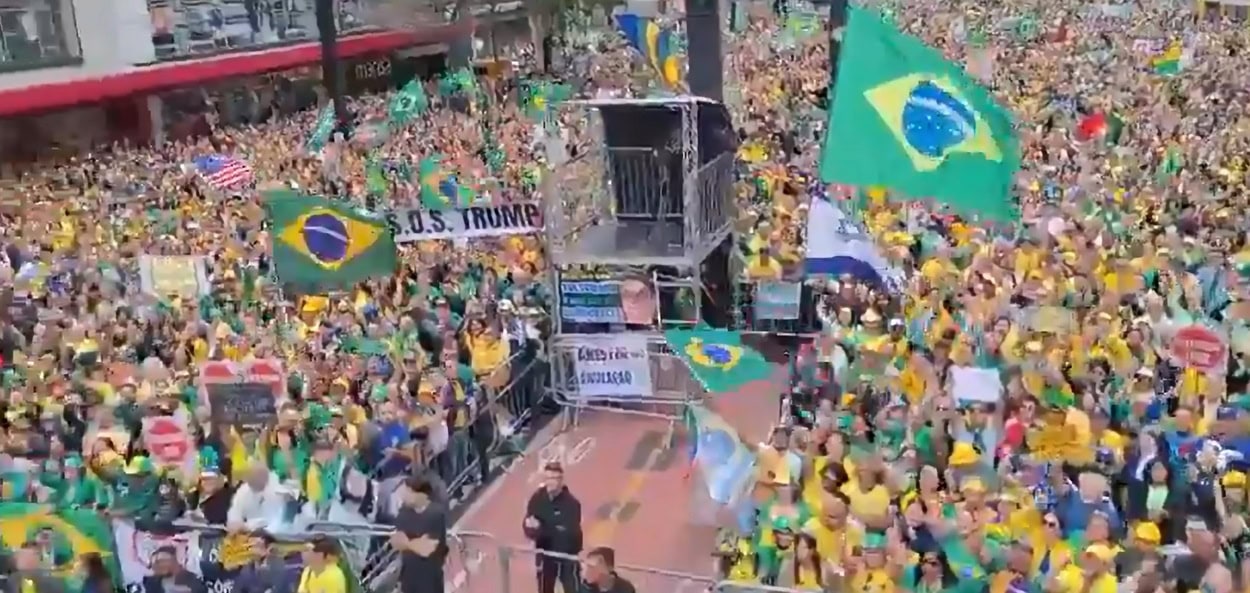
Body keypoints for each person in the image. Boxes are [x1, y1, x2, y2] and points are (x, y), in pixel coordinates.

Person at [523, 462, 582, 593]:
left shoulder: (572, 504)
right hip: (545, 554)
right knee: (544, 589)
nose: (551, 482)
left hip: (567, 557)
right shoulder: (537, 498)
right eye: (548, 478)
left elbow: (568, 533)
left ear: (561, 480)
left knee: (573, 589)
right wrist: (535, 529)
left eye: (554, 479)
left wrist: (541, 528)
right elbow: (528, 524)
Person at [391, 475, 449, 593]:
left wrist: (407, 543)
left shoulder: (435, 514)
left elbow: (427, 548)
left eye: (408, 492)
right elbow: (396, 542)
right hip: (409, 579)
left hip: (430, 578)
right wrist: (415, 543)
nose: (404, 496)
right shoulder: (403, 514)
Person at [227, 463, 293, 533]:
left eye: (256, 479)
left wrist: (247, 526)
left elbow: (271, 521)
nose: (251, 484)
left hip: (276, 536)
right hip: (249, 535)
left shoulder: (279, 491)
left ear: (266, 477)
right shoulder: (244, 490)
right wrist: (234, 523)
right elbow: (235, 511)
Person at [140, 546, 207, 593]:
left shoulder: (200, 569)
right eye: (153, 566)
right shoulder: (156, 586)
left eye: (158, 560)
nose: (156, 566)